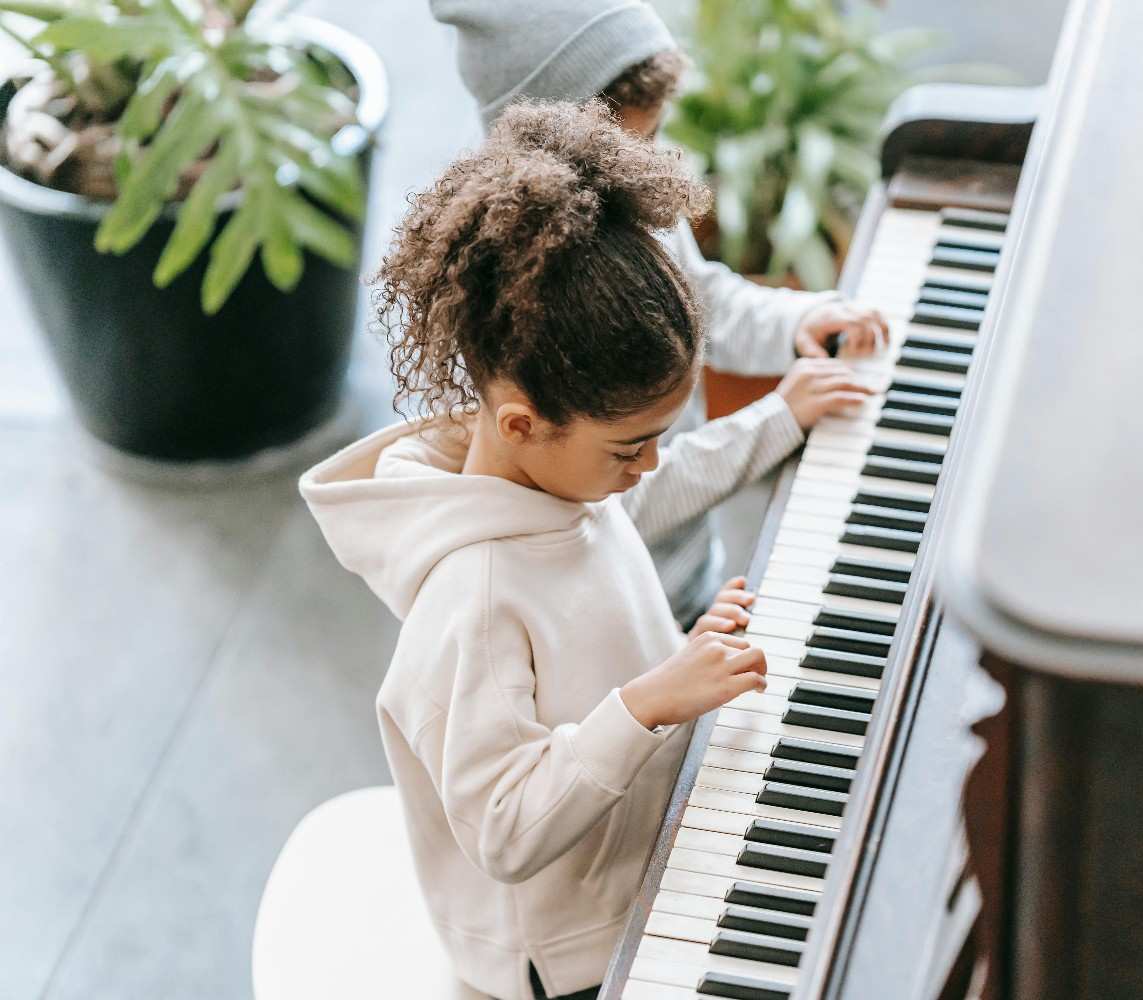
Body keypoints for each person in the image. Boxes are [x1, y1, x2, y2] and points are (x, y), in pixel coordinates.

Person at [300, 101, 870, 1000]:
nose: (649, 466)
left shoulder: (561, 484)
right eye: (630, 447)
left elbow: (597, 652)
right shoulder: (474, 598)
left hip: (638, 855)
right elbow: (504, 828)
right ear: (522, 425)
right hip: (569, 959)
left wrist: (678, 658)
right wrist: (651, 701)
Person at [430, 0, 891, 625]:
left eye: (652, 137)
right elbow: (612, 506)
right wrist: (777, 420)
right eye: (630, 141)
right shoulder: (516, 298)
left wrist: (794, 323)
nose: (646, 160)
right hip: (617, 616)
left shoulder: (625, 191)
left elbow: (703, 299)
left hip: (687, 566)